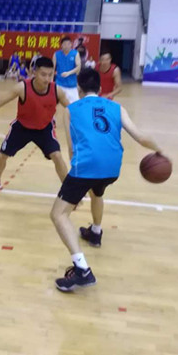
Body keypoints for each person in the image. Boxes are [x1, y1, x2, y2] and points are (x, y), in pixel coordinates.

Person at [50, 68, 164, 292]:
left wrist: (75, 182)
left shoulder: (71, 110)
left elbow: (72, 150)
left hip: (87, 166)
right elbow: (141, 137)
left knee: (58, 214)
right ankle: (95, 231)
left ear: (79, 89)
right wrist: (161, 151)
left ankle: (82, 270)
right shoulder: (117, 107)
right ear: (101, 88)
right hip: (113, 168)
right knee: (97, 191)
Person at [0, 57, 71, 192]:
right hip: (22, 127)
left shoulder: (57, 90)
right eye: (43, 74)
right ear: (34, 72)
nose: (47, 79)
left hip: (44, 128)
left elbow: (73, 109)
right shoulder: (22, 87)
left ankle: (69, 190)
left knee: (57, 156)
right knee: (2, 156)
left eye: (50, 75)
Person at [52, 36, 81, 104]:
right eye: (64, 44)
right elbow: (52, 69)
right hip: (59, 84)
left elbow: (78, 67)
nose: (66, 46)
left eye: (68, 44)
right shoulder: (56, 54)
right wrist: (51, 82)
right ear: (61, 45)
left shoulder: (75, 53)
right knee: (56, 105)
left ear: (71, 45)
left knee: (75, 105)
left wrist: (68, 73)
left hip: (72, 85)